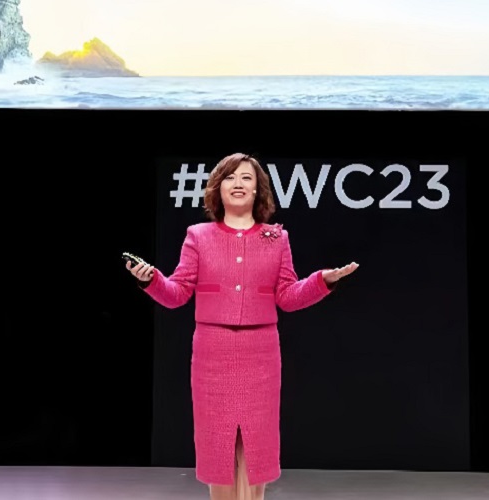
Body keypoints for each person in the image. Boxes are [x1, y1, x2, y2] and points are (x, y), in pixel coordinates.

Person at [126, 152, 358, 500]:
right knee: (217, 444)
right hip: (212, 352)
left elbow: (288, 296)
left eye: (246, 178)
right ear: (217, 189)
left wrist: (322, 281)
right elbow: (176, 294)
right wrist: (151, 280)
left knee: (256, 443)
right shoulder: (198, 235)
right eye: (230, 177)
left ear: (257, 190)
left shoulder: (276, 238)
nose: (238, 184)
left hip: (260, 354)